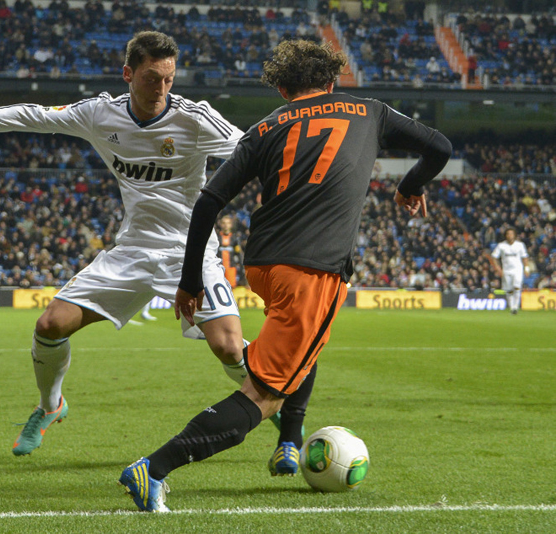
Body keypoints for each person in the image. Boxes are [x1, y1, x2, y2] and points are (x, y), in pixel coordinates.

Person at [119, 39, 452, 512]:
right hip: (312, 270)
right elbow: (440, 146)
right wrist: (410, 185)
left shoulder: (265, 127)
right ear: (333, 81)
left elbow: (209, 202)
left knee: (302, 345)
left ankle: (291, 442)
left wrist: (190, 281)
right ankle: (154, 468)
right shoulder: (370, 111)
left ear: (281, 87)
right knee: (263, 394)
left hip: (263, 267)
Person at [0, 31, 252, 457]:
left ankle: (277, 405)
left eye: (168, 79)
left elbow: (253, 147)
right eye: (151, 78)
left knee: (228, 348)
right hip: (131, 250)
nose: (161, 89)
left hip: (190, 250)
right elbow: (35, 115)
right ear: (128, 74)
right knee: (50, 324)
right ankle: (50, 406)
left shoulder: (194, 118)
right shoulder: (99, 114)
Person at [491, 228, 529, 314]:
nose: (510, 236)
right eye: (508, 234)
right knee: (509, 289)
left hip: (518, 269)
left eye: (511, 234)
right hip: (506, 270)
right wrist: (498, 268)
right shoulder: (501, 245)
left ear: (515, 235)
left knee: (517, 286)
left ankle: (516, 306)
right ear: (506, 235)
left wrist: (527, 268)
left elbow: (525, 257)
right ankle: (512, 307)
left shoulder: (520, 245)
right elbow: (494, 257)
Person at [217, 215, 241, 287]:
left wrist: (239, 264)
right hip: (219, 268)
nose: (226, 225)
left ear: (230, 225)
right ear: (221, 224)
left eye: (227, 223)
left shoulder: (234, 238)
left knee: (232, 287)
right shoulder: (217, 238)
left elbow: (238, 253)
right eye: (224, 223)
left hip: (231, 268)